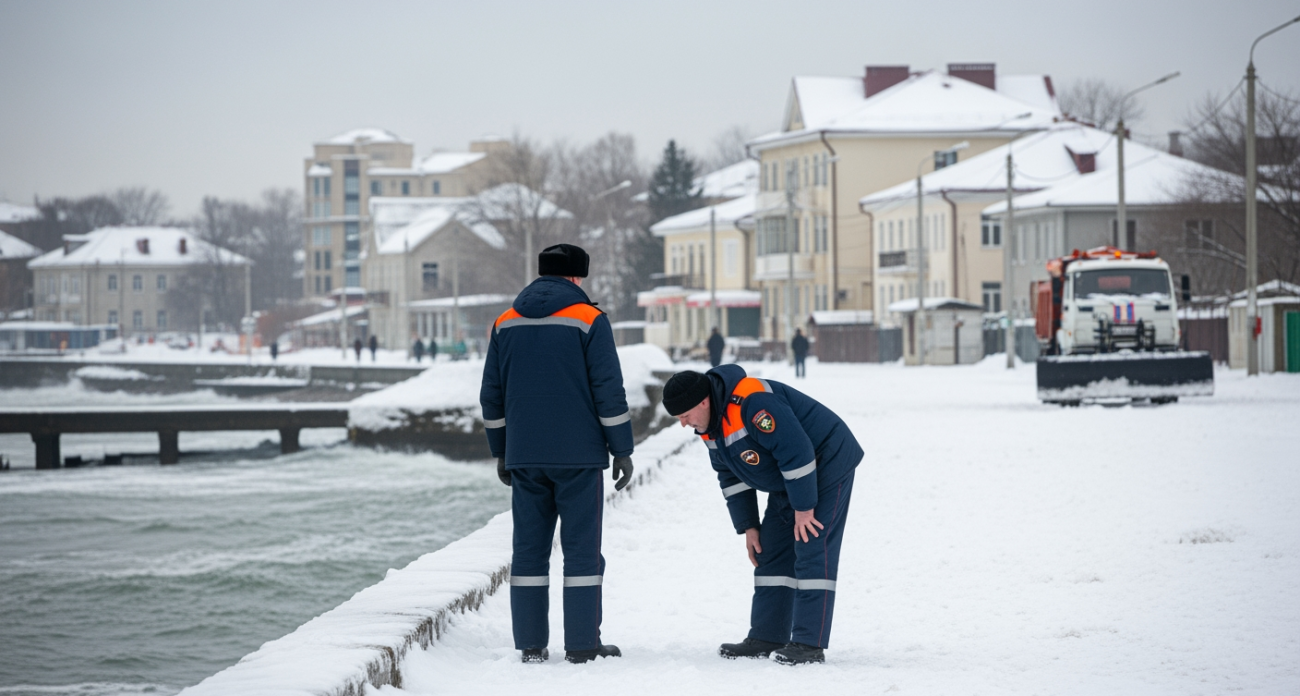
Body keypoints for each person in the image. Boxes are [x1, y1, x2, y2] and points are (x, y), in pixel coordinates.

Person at [480, 243, 635, 665]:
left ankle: (531, 645)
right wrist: (622, 449)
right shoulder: (589, 319)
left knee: (529, 550)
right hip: (579, 457)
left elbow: (490, 396)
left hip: (525, 456)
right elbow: (608, 390)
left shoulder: (505, 322)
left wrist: (501, 451)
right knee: (582, 550)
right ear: (576, 278)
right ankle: (582, 645)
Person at [661, 365, 862, 665]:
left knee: (810, 546)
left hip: (826, 462)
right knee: (772, 550)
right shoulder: (710, 426)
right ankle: (768, 635)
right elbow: (730, 477)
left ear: (703, 401)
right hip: (789, 475)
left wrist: (804, 508)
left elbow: (797, 450)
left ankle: (809, 643)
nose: (683, 424)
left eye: (685, 415)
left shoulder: (753, 403)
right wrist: (749, 527)